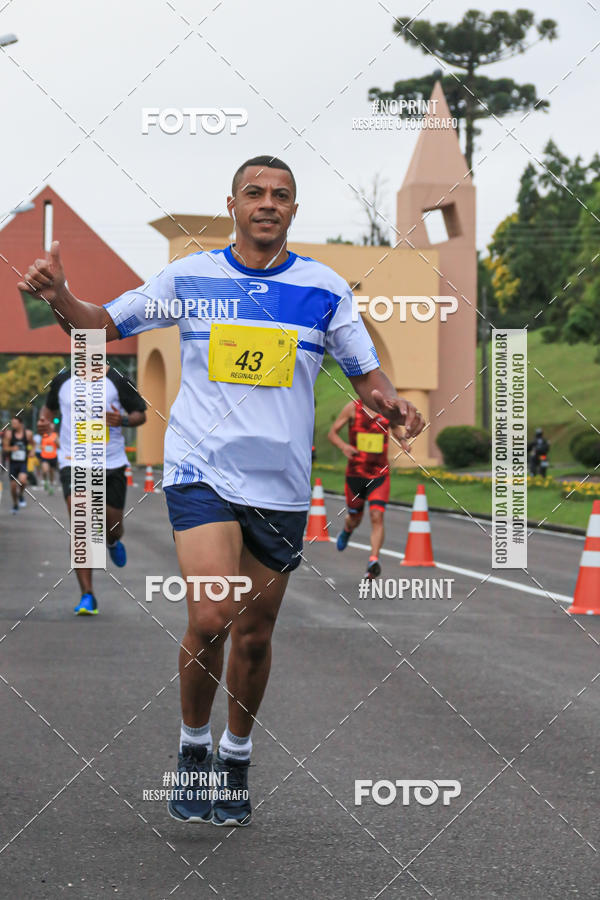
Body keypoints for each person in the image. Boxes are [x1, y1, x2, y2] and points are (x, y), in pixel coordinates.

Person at [18, 155, 425, 827]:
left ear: (294, 210)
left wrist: (393, 403)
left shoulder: (324, 290)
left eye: (281, 195)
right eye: (254, 192)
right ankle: (193, 749)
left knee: (255, 636)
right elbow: (99, 323)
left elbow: (367, 377)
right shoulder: (190, 278)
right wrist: (59, 295)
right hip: (200, 471)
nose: (268, 202)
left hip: (281, 486)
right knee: (212, 616)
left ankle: (236, 755)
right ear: (232, 205)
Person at [37, 366, 147, 614]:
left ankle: (112, 541)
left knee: (113, 527)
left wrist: (123, 420)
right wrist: (45, 422)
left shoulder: (117, 379)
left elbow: (140, 414)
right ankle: (87, 594)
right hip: (73, 461)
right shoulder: (62, 379)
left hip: (111, 463)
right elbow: (48, 409)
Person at [328, 397, 408, 578]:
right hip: (356, 475)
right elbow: (332, 433)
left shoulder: (386, 410)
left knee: (377, 515)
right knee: (354, 518)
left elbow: (395, 427)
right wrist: (344, 447)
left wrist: (402, 440)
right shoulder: (352, 408)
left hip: (379, 475)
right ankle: (347, 530)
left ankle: (373, 560)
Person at [3, 413, 33, 513]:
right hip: (13, 463)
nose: (13, 425)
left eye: (15, 423)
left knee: (23, 481)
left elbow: (32, 444)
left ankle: (20, 494)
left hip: (23, 462)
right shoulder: (9, 434)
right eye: (12, 423)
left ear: (21, 424)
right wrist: (12, 448)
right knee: (13, 487)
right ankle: (15, 504)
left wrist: (32, 451)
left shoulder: (28, 434)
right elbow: (5, 448)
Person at [40, 422, 59, 494]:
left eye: (52, 427)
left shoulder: (55, 435)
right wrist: (43, 447)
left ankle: (51, 486)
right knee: (45, 471)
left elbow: (59, 446)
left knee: (51, 472)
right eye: (50, 427)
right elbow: (40, 445)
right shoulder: (44, 435)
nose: (51, 428)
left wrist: (56, 442)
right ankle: (45, 481)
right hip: (44, 456)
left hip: (53, 456)